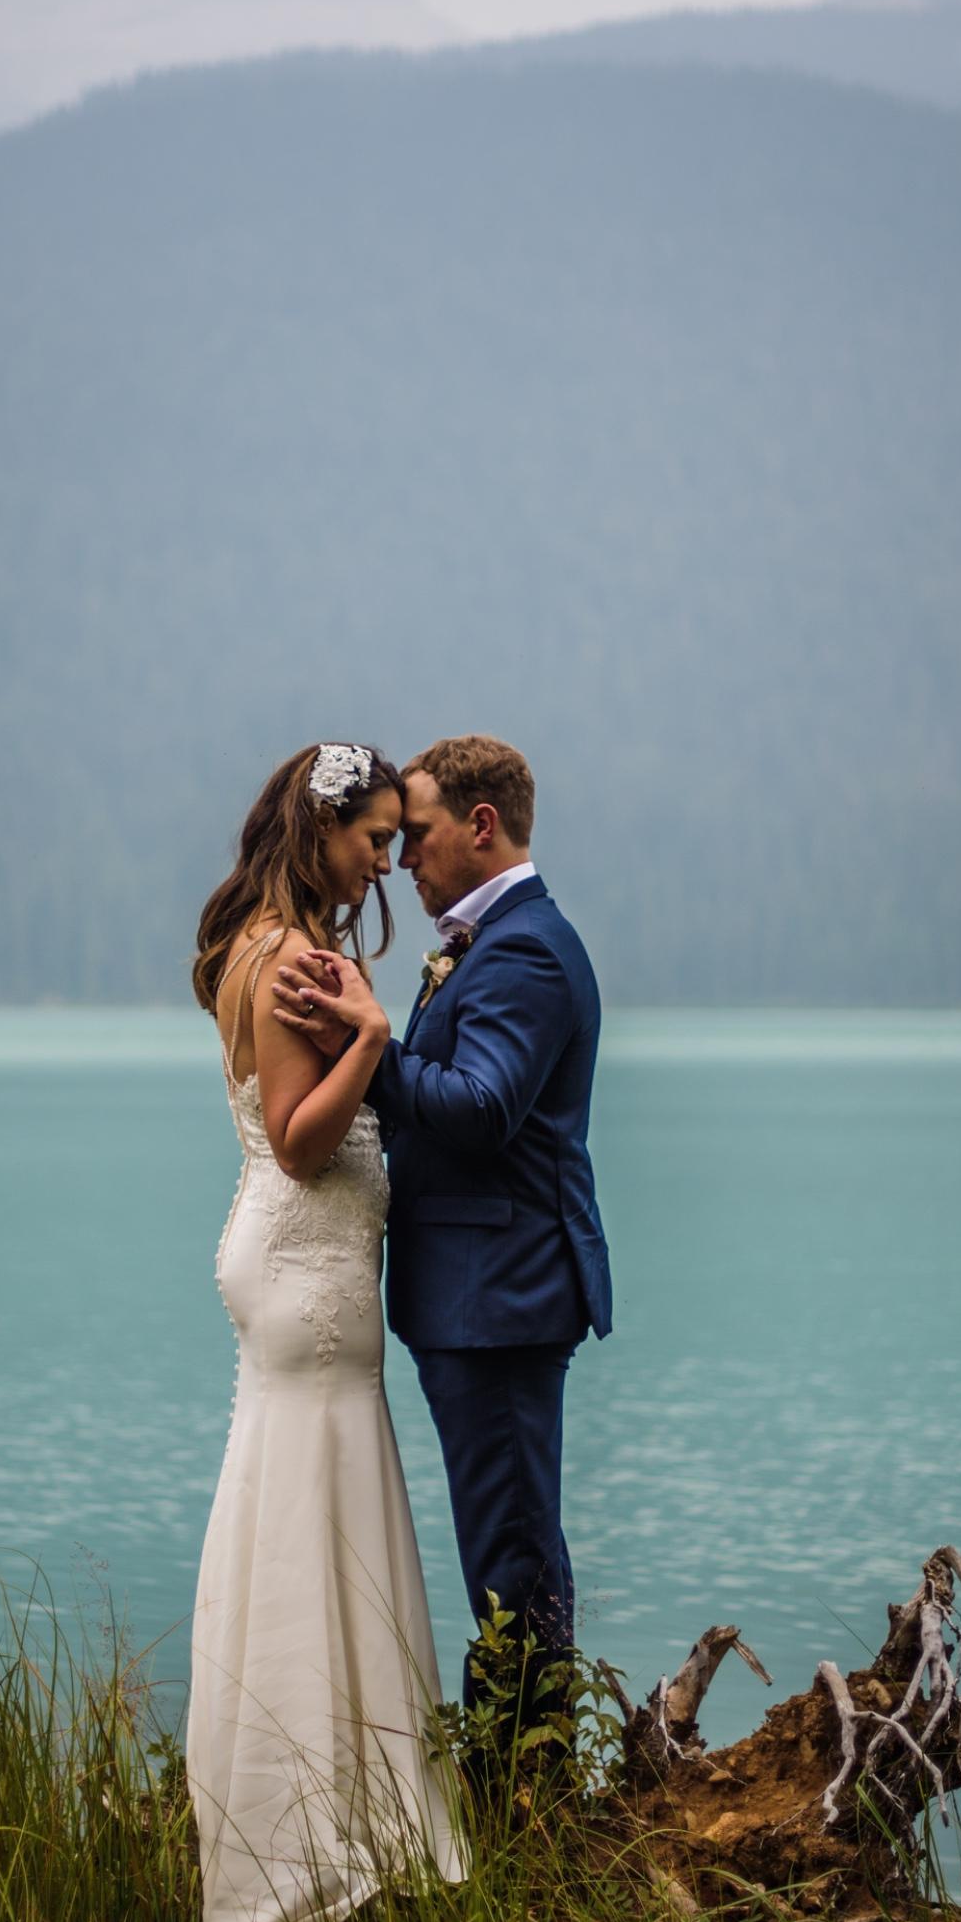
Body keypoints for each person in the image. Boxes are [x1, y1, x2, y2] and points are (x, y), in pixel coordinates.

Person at [186, 740, 464, 1922]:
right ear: (326, 829)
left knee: (295, 1525)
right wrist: (372, 1039)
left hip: (291, 1286)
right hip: (304, 1286)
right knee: (312, 1524)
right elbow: (299, 1141)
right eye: (370, 839)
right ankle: (305, 1849)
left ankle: (322, 1797)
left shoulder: (260, 938)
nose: (382, 863)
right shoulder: (295, 961)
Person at [275, 734, 610, 1744]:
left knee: (511, 1562)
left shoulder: (525, 950)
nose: (401, 860)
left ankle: (524, 1806)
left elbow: (479, 1108)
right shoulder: (494, 941)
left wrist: (369, 1042)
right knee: (507, 1552)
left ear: (480, 826)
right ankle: (523, 1786)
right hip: (479, 1293)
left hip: (500, 1299)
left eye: (416, 837)